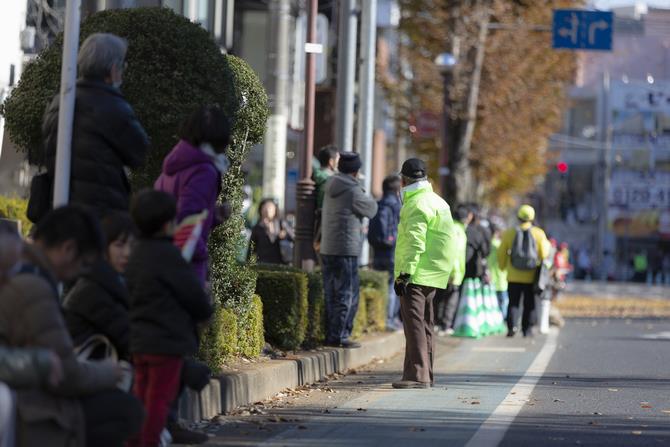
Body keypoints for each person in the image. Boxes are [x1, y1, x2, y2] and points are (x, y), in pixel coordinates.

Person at [0, 206, 143, 447]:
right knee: (125, 410)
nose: (79, 274)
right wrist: (109, 372)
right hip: (27, 409)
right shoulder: (34, 287)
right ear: (68, 249)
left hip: (20, 398)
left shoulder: (22, 274)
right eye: (83, 265)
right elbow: (67, 375)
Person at [126, 190, 213, 447]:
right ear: (168, 224)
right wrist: (205, 311)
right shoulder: (170, 256)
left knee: (140, 396)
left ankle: (133, 441)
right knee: (158, 402)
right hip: (166, 344)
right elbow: (193, 295)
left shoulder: (135, 255)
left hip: (138, 341)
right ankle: (150, 442)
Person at [42, 33, 149, 218]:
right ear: (114, 69)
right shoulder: (113, 106)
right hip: (102, 213)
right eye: (122, 65)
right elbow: (139, 151)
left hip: (60, 207)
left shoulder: (60, 101)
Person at [392, 158, 454, 389]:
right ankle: (423, 372)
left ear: (404, 179)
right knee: (425, 324)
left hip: (416, 273)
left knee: (414, 325)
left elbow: (415, 244)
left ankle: (418, 376)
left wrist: (404, 274)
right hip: (435, 273)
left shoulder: (415, 205)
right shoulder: (439, 202)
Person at [155, 105, 232, 283]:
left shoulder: (177, 162)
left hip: (161, 255)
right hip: (185, 268)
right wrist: (202, 258)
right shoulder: (204, 171)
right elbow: (187, 224)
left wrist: (213, 216)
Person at [320, 152, 378, 348]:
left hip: (328, 247)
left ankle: (331, 334)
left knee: (331, 292)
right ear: (356, 171)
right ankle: (341, 336)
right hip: (346, 248)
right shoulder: (353, 191)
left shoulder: (330, 185)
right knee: (348, 293)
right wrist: (361, 187)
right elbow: (371, 209)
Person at [63, 212, 136, 360]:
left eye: (133, 245)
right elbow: (132, 340)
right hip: (87, 376)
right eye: (119, 245)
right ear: (103, 247)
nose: (128, 253)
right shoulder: (94, 290)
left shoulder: (108, 281)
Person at [498, 204, 550, 338]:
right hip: (531, 275)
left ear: (518, 217)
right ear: (532, 217)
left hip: (513, 274)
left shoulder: (510, 233)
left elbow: (502, 252)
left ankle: (512, 327)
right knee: (530, 303)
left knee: (513, 302)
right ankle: (527, 329)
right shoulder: (538, 233)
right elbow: (544, 253)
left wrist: (503, 266)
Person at [368, 174, 402, 330]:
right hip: (393, 252)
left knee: (379, 285)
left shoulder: (378, 204)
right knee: (392, 287)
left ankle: (378, 318)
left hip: (377, 251)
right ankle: (389, 320)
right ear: (397, 189)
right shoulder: (397, 206)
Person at [434, 204, 470, 335]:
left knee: (439, 297)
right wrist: (454, 271)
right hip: (454, 271)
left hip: (443, 268)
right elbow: (456, 253)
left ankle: (437, 323)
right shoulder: (459, 231)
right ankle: (445, 325)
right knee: (450, 300)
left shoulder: (448, 226)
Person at [249, 199, 295, 265]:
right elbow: (251, 247)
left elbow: (293, 238)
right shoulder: (258, 227)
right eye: (265, 207)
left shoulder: (281, 223)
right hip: (262, 263)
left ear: (275, 210)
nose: (267, 210)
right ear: (261, 210)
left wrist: (285, 236)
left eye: (270, 207)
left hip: (280, 264)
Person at [313, 145, 340, 255]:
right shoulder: (332, 181)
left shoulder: (317, 176)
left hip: (319, 219)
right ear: (331, 162)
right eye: (338, 159)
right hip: (328, 220)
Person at [487, 220, 509, 319]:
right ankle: (501, 320)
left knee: (492, 303)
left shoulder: (488, 244)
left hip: (490, 277)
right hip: (501, 278)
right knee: (503, 302)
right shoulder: (499, 245)